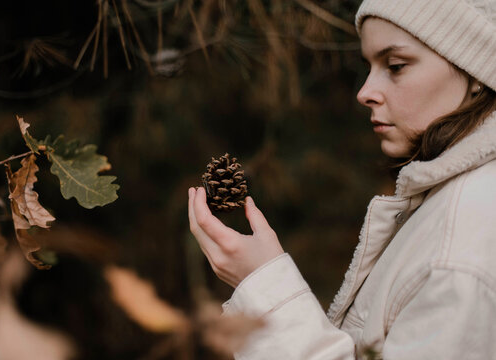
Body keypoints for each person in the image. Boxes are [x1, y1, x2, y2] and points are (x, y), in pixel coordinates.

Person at [188, 0, 496, 358]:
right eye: (369, 66)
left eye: (395, 66)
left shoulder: (460, 251)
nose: (364, 92)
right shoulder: (452, 207)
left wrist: (262, 285)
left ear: (475, 69)